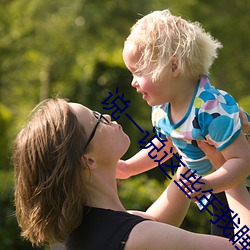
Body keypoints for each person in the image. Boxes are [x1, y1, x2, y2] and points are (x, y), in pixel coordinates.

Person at [13, 98, 249, 250]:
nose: (106, 116)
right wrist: (230, 168)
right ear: (88, 160)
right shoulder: (138, 238)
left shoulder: (74, 234)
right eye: (97, 120)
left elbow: (153, 222)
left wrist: (191, 141)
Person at [121, 9, 250, 237]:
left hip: (238, 183)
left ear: (173, 67)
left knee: (235, 240)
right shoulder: (162, 109)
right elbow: (168, 144)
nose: (133, 82)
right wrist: (129, 167)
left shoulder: (210, 109)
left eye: (138, 72)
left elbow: (241, 160)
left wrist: (209, 183)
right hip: (217, 183)